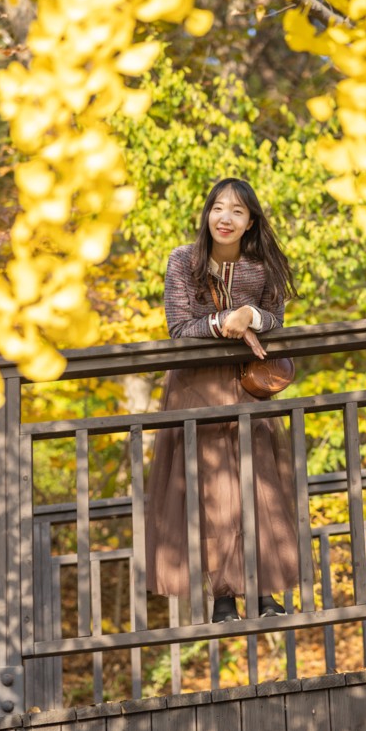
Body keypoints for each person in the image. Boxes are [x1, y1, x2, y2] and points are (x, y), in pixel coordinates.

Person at [145, 178, 300, 623]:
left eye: (236, 211)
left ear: (251, 221)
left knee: (259, 485)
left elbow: (277, 318)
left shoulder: (261, 266)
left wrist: (251, 316)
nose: (225, 218)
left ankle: (267, 593)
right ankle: (223, 600)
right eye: (218, 208)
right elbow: (179, 327)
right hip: (198, 388)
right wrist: (223, 323)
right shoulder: (183, 261)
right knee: (215, 493)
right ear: (207, 214)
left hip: (250, 387)